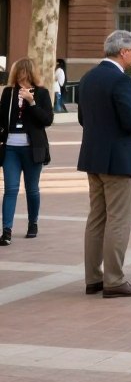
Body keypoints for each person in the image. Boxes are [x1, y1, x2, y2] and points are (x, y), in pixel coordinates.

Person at [77, 30, 131, 297]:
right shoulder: (120, 80)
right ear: (123, 52)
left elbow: (83, 119)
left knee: (96, 219)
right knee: (118, 220)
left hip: (92, 156)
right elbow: (130, 122)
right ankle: (114, 280)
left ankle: (93, 278)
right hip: (118, 160)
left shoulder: (88, 77)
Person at [0, 57, 54, 245]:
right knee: (11, 189)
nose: (21, 76)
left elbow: (47, 120)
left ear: (29, 73)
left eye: (24, 72)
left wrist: (31, 103)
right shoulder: (8, 93)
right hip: (10, 148)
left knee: (32, 189)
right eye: (19, 72)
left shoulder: (41, 93)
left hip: (33, 149)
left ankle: (33, 223)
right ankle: (6, 230)